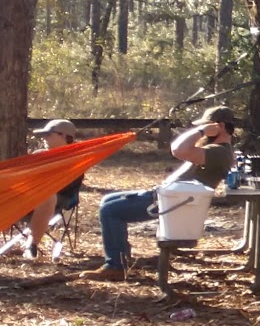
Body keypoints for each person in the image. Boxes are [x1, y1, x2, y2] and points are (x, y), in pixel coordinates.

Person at [99, 106, 237, 278]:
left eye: (207, 126)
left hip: (173, 203)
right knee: (108, 200)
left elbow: (178, 149)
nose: (202, 131)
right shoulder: (217, 150)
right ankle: (120, 257)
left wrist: (201, 131)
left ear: (220, 126)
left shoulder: (218, 152)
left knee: (110, 210)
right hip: (169, 197)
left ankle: (115, 266)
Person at [0, 118, 82, 260]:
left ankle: (31, 245)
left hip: (55, 201)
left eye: (48, 134)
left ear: (63, 136)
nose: (44, 138)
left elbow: (66, 188)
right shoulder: (40, 155)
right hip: (27, 198)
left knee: (47, 195)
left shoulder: (77, 159)